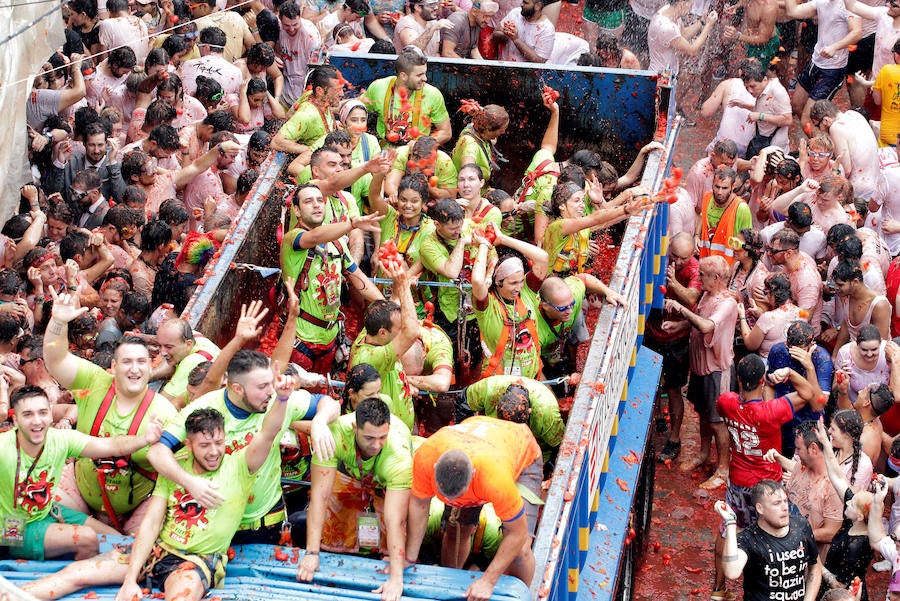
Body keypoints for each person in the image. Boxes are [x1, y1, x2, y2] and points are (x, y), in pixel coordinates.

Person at [23, 398, 290, 601]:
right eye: (204, 445)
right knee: (74, 574)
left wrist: (282, 399)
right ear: (188, 444)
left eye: (218, 443)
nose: (214, 452)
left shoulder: (240, 466)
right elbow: (151, 524)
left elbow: (268, 432)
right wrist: (130, 580)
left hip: (195, 561)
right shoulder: (175, 467)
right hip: (157, 550)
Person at [43, 289, 177, 534]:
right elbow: (55, 360)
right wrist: (58, 323)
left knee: (144, 546)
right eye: (126, 362)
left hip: (138, 504)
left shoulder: (165, 412)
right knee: (36, 506)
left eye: (141, 362)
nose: (134, 369)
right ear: (113, 367)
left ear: (151, 366)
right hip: (81, 491)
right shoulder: (93, 383)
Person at [0, 384, 162, 562]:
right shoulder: (4, 447)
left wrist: (145, 439)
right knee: (87, 539)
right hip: (13, 528)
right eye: (28, 414)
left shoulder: (60, 439)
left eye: (43, 413)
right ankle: (75, 579)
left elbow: (111, 446)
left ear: (51, 414)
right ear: (15, 420)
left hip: (46, 511)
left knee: (119, 540)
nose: (37, 421)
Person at [711, 353, 817, 598]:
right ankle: (774, 586)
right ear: (762, 380)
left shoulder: (726, 402)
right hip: (767, 486)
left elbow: (733, 403)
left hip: (738, 481)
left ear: (738, 379)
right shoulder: (771, 411)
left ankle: (719, 589)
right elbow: (809, 394)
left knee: (728, 530)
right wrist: (790, 374)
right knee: (776, 535)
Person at [406, 416, 543, 601]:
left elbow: (517, 533)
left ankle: (522, 596)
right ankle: (450, 590)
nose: (451, 501)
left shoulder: (495, 480)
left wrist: (488, 580)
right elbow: (419, 505)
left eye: (457, 497)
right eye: (445, 497)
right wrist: (409, 558)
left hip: (521, 453)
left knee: (521, 549)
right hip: (475, 440)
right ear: (436, 467)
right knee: (455, 528)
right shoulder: (426, 455)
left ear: (473, 475)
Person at [297, 396, 412, 601]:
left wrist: (396, 578)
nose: (376, 445)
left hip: (388, 480)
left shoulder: (398, 456)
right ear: (354, 428)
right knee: (333, 500)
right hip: (352, 472)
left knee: (392, 519)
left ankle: (382, 553)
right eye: (369, 438)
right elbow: (319, 497)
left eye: (382, 437)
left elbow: (397, 520)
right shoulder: (335, 434)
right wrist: (311, 554)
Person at [279, 183, 383, 375]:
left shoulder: (338, 243)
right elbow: (315, 237)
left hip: (331, 337)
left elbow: (358, 277)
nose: (317, 205)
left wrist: (385, 306)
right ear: (297, 211)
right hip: (300, 338)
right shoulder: (293, 238)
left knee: (323, 390)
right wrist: (352, 224)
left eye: (320, 200)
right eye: (308, 202)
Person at [664, 255, 738, 490]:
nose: (699, 279)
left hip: (717, 369)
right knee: (704, 414)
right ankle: (704, 453)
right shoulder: (708, 295)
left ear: (715, 278)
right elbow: (700, 320)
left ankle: (723, 468)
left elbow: (707, 325)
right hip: (700, 367)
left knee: (718, 421)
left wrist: (681, 311)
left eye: (702, 275)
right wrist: (680, 325)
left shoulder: (727, 303)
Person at [716, 481, 822, 601]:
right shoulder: (748, 539)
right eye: (777, 503)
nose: (784, 508)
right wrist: (730, 523)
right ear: (760, 508)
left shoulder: (801, 526)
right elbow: (732, 572)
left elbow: (815, 568)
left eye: (785, 501)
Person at [349, 259, 421, 431]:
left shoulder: (370, 332)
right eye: (399, 328)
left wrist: (398, 282)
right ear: (383, 333)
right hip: (385, 435)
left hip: (401, 426)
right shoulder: (371, 357)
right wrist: (404, 286)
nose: (402, 329)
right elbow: (412, 332)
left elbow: (393, 305)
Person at [471, 227, 549, 379]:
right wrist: (484, 245)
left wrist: (503, 238)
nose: (518, 287)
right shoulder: (487, 306)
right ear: (498, 282)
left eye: (520, 281)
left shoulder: (527, 292)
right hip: (500, 384)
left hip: (532, 377)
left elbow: (543, 258)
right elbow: (477, 281)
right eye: (513, 283)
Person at [813, 420, 875, 599]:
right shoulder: (854, 517)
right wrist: (825, 443)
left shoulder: (857, 545)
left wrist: (816, 563)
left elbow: (839, 584)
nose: (847, 502)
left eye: (852, 504)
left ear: (860, 516)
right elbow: (837, 478)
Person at [765, 421, 844, 559]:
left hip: (810, 559)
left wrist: (795, 535)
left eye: (798, 449)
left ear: (813, 449)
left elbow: (832, 532)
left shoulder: (833, 487)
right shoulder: (800, 468)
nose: (795, 452)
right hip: (786, 550)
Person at [783, 0, 862, 126]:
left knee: (807, 118)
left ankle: (824, 141)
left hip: (833, 70)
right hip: (815, 63)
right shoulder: (821, 1)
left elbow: (857, 32)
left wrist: (834, 47)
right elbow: (793, 11)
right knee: (797, 105)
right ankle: (819, 135)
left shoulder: (848, 5)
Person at [460, 375, 564, 462]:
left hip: (536, 448)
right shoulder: (488, 389)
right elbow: (461, 403)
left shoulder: (546, 413)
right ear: (496, 407)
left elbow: (559, 446)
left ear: (529, 412)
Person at [363, 48, 452, 147]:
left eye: (425, 73)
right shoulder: (378, 87)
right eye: (419, 75)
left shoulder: (433, 94)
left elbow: (446, 133)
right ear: (403, 76)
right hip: (385, 154)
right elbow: (357, 107)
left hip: (416, 156)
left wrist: (419, 145)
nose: (425, 78)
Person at [272, 65, 343, 173]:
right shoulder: (307, 114)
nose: (341, 94)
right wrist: (310, 150)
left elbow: (290, 114)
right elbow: (276, 142)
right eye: (337, 90)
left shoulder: (314, 96)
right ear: (320, 91)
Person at [809, 100, 880, 200]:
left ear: (826, 121)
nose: (820, 130)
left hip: (859, 189)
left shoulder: (836, 127)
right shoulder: (854, 114)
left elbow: (845, 170)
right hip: (875, 181)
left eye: (818, 126)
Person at [152, 318, 221, 409]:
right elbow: (166, 339)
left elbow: (161, 404)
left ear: (188, 344)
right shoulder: (194, 335)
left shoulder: (192, 362)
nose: (162, 352)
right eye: (160, 345)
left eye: (168, 347)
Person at [738, 273, 802, 359]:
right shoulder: (802, 313)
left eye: (765, 292)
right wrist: (760, 313)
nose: (766, 297)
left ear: (773, 293)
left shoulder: (767, 318)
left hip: (771, 366)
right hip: (792, 363)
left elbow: (750, 345)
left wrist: (742, 316)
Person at [698, 167, 753, 265]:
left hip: (727, 267)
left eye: (724, 188)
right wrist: (696, 236)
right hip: (706, 264)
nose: (719, 192)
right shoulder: (707, 197)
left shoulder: (741, 208)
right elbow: (702, 218)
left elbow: (746, 245)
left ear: (732, 187)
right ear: (712, 184)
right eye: (717, 186)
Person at [180, 27, 243, 98]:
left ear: (207, 47)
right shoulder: (236, 72)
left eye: (199, 45)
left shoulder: (189, 64)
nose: (198, 48)